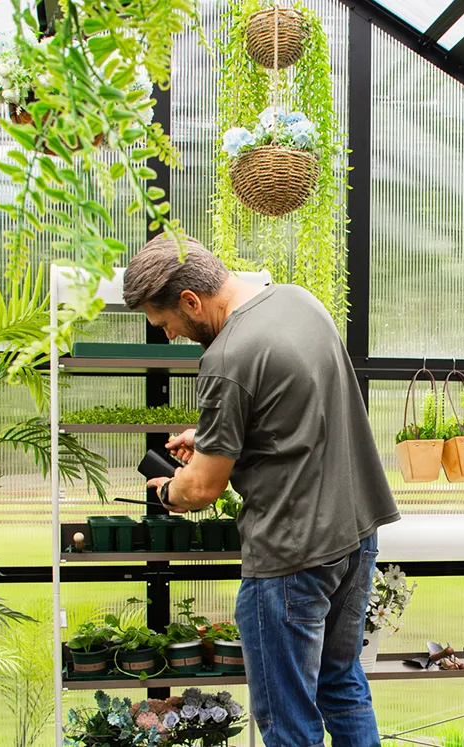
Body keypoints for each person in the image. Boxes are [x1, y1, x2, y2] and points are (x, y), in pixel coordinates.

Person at [123, 234, 399, 747]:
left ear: (189, 300)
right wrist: (208, 440)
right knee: (341, 684)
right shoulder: (299, 301)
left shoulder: (227, 357)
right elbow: (292, 412)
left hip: (292, 557)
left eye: (168, 326)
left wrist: (167, 489)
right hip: (356, 533)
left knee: (286, 719)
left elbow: (203, 488)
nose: (175, 336)